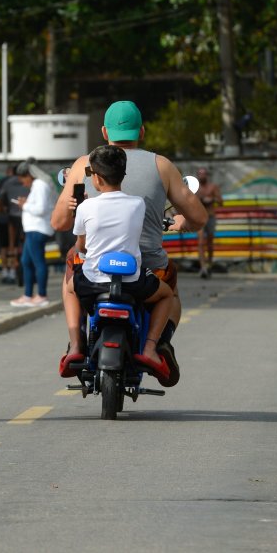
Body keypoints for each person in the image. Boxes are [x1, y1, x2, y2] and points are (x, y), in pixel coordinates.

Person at [51, 100, 206, 386]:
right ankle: (158, 344)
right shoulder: (161, 165)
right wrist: (184, 222)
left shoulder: (84, 165)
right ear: (142, 132)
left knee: (72, 268)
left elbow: (59, 223)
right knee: (169, 286)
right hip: (143, 268)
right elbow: (199, 217)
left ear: (103, 132)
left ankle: (75, 345)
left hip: (94, 267)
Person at [70, 146, 177, 382]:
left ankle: (76, 345)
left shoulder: (85, 207)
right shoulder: (137, 204)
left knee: (68, 288)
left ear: (96, 178)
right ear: (123, 175)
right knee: (167, 295)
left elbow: (81, 247)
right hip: (132, 283)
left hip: (93, 283)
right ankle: (150, 348)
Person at [9, 162, 55, 308]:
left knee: (37, 262)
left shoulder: (40, 185)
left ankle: (41, 295)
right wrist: (27, 202)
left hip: (38, 229)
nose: (22, 182)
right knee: (26, 261)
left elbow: (40, 209)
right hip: (33, 229)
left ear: (29, 175)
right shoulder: (38, 185)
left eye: (22, 179)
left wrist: (25, 205)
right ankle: (28, 295)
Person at [0, 165, 28, 285]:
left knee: (10, 245)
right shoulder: (30, 182)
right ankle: (21, 271)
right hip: (26, 217)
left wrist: (4, 209)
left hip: (10, 218)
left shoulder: (5, 183)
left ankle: (9, 272)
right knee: (24, 245)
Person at [195, 166, 224, 278]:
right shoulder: (195, 188)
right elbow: (189, 201)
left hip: (210, 216)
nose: (202, 176)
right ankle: (203, 267)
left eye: (204, 174)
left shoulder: (213, 187)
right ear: (197, 175)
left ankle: (210, 264)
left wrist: (212, 199)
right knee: (201, 242)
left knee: (210, 243)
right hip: (199, 217)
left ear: (207, 175)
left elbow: (221, 201)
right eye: (200, 174)